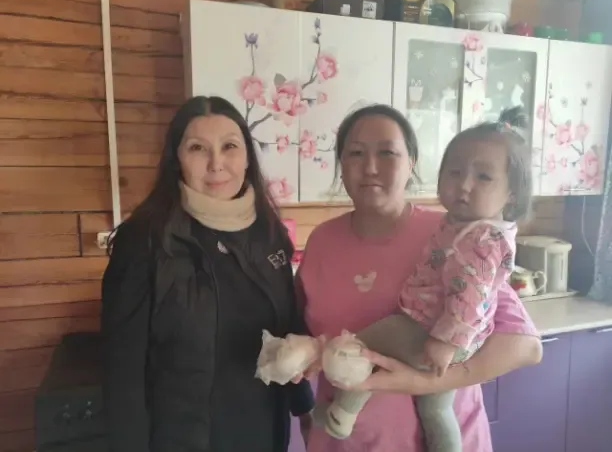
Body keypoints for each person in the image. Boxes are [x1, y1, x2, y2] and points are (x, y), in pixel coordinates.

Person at [295, 104, 543, 452]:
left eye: (387, 152)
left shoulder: (457, 234)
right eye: (356, 153)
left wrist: (420, 382)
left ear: (411, 162)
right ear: (341, 163)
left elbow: (526, 347)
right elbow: (312, 332)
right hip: (341, 442)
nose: (370, 167)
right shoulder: (321, 241)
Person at [101, 96, 314, 452]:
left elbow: (286, 324)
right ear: (177, 159)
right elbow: (123, 372)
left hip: (264, 428)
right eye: (198, 148)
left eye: (229, 147)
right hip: (184, 438)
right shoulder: (145, 241)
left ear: (247, 158)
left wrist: (303, 406)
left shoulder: (268, 232)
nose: (216, 164)